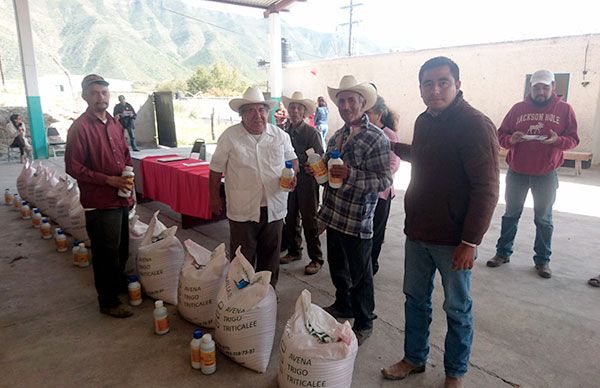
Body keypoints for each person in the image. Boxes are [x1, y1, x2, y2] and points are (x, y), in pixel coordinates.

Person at [381, 57, 499, 388]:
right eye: (428, 84)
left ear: (457, 84)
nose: (435, 90)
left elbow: (487, 188)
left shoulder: (475, 125)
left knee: (457, 309)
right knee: (415, 299)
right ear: (420, 88)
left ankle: (454, 373)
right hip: (418, 233)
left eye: (443, 82)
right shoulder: (424, 120)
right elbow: (424, 156)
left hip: (454, 242)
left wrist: (471, 242)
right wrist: (390, 145)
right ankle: (414, 357)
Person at [316, 75, 392, 345]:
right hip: (335, 215)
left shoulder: (377, 138)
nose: (346, 106)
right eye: (342, 101)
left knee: (361, 273)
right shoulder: (337, 135)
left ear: (362, 104)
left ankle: (364, 320)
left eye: (351, 101)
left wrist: (350, 174)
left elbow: (384, 181)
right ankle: (342, 304)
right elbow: (325, 173)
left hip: (358, 219)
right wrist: (317, 169)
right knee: (337, 266)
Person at [487, 70, 579, 279]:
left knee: (544, 219)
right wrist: (511, 140)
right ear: (530, 87)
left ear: (553, 87)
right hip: (517, 172)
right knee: (510, 215)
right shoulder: (518, 109)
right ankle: (502, 253)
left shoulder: (564, 110)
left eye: (545, 87)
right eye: (537, 87)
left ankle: (542, 261)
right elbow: (501, 135)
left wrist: (557, 141)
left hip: (546, 173)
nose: (540, 91)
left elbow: (573, 139)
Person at [208, 86, 298, 288]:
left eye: (261, 110)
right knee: (242, 259)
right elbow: (215, 169)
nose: (257, 115)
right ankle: (240, 299)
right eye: (250, 110)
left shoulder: (280, 135)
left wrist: (292, 176)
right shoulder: (230, 137)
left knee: (270, 259)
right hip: (243, 210)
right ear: (242, 115)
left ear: (267, 113)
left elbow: (292, 159)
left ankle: (267, 296)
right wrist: (213, 197)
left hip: (274, 207)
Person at [65, 74, 135, 318]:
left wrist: (127, 179)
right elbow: (73, 167)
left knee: (121, 247)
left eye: (104, 93)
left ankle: (117, 285)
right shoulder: (80, 128)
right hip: (100, 201)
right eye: (94, 93)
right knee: (106, 253)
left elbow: (125, 154)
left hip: (121, 196)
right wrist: (107, 179)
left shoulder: (115, 124)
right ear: (85, 96)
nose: (100, 97)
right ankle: (107, 301)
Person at [280, 91, 324, 275]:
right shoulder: (284, 131)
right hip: (289, 180)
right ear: (288, 110)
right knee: (290, 217)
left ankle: (316, 258)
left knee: (309, 220)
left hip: (306, 182)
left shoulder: (311, 132)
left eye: (299, 108)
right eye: (292, 107)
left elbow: (320, 155)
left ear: (304, 112)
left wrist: (311, 166)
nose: (295, 110)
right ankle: (294, 251)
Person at [365, 96, 401, 275]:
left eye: (368, 113)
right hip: (363, 194)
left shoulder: (389, 135)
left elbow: (393, 165)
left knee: (376, 232)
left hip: (381, 194)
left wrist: (368, 177)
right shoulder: (360, 132)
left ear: (379, 114)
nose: (364, 116)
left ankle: (372, 265)